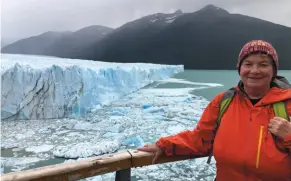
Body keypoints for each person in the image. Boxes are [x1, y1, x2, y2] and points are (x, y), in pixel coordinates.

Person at [138, 40, 291, 181]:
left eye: (263, 65)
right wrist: (164, 145)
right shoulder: (224, 102)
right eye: (248, 64)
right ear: (240, 68)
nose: (255, 70)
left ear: (274, 70)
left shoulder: (287, 104)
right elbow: (201, 138)